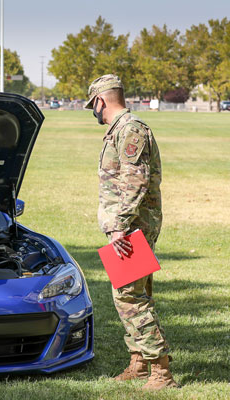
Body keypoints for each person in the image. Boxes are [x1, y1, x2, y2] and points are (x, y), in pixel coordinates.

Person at [85, 74, 179, 390]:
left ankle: (160, 373)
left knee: (129, 296)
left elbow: (134, 181)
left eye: (92, 105)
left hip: (131, 228)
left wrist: (120, 228)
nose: (92, 112)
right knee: (136, 293)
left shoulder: (131, 130)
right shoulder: (124, 130)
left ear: (101, 101)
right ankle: (138, 364)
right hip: (131, 226)